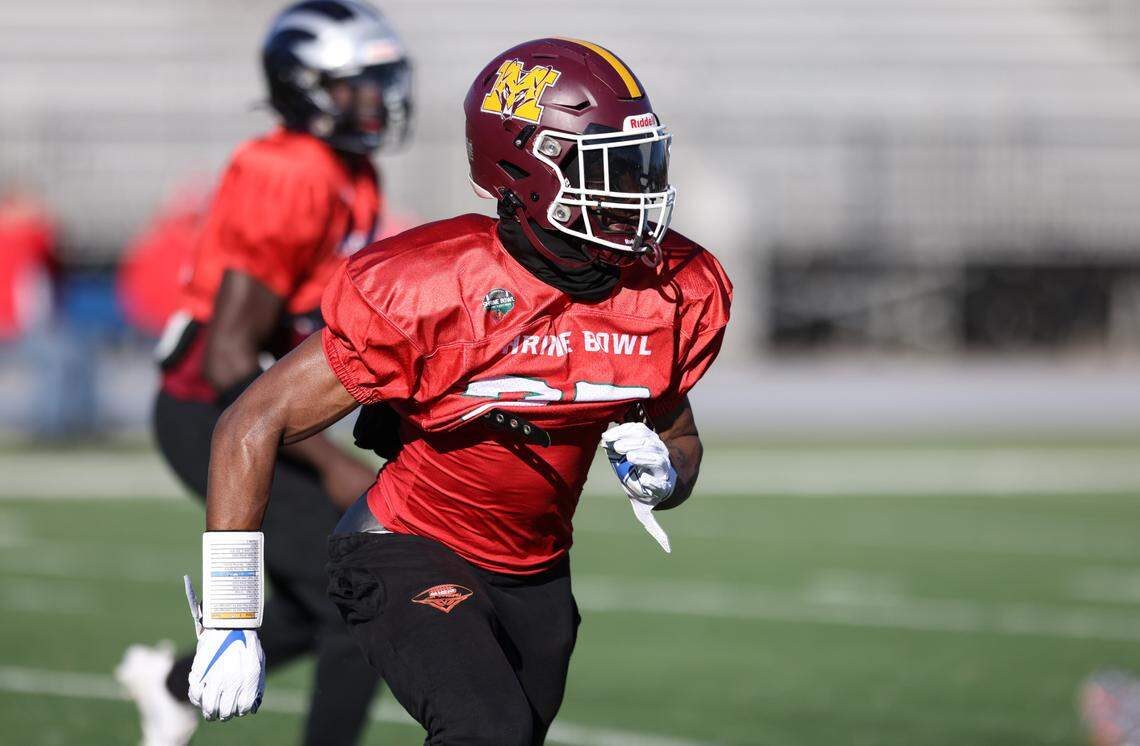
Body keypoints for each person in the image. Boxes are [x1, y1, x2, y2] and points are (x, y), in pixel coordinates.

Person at [181, 37, 731, 745]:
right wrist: (231, 617)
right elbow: (249, 423)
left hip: (536, 574)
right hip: (405, 545)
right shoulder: (435, 286)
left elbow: (680, 439)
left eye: (642, 163)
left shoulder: (666, 292)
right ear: (527, 168)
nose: (637, 190)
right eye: (612, 167)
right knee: (487, 731)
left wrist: (665, 474)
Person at [114, 2, 412, 745]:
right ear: (304, 86)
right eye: (355, 84)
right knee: (358, 594)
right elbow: (228, 359)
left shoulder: (350, 171)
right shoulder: (289, 170)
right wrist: (334, 463)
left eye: (381, 82)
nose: (376, 100)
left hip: (259, 408)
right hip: (211, 410)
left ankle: (175, 683)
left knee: (322, 598)